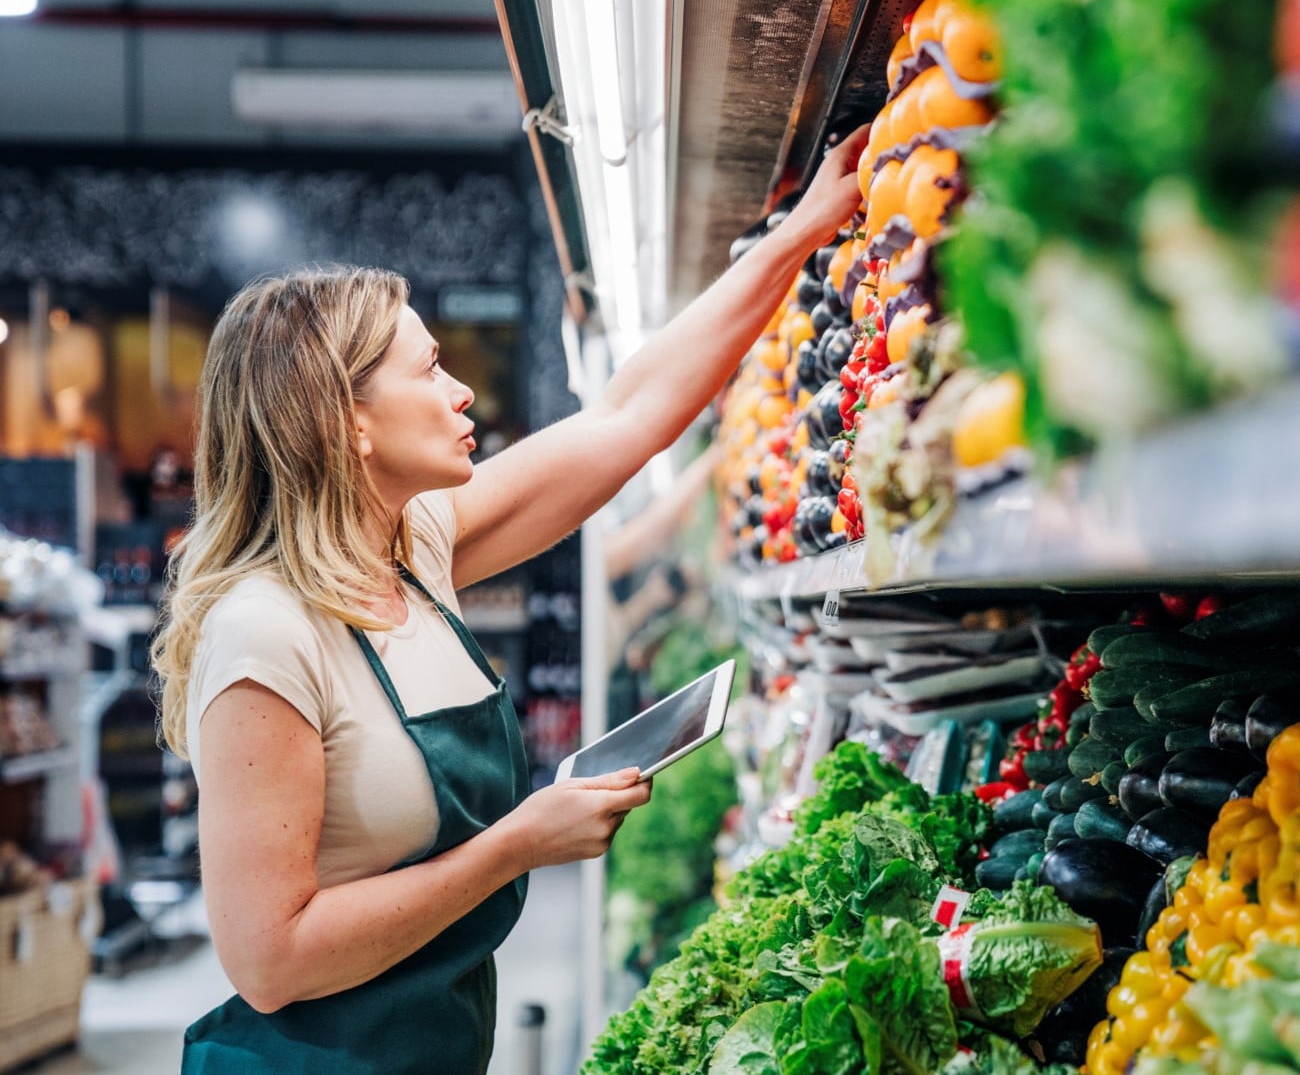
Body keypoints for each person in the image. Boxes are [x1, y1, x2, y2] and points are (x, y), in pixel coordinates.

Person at [150, 126, 869, 1073]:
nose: (461, 393)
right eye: (428, 369)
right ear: (348, 421)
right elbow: (271, 959)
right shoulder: (265, 634)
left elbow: (627, 417)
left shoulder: (414, 548)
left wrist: (802, 231)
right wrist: (515, 843)